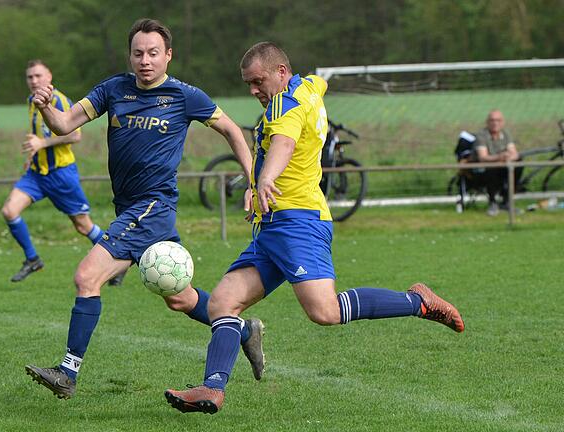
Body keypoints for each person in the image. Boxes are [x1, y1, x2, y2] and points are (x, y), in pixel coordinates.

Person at [164, 42, 465, 415]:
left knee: (325, 312)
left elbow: (285, 144)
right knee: (224, 303)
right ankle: (212, 389)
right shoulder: (306, 87)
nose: (253, 91)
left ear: (280, 73)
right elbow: (317, 84)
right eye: (248, 84)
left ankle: (417, 302)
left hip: (298, 222)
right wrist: (259, 188)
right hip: (273, 226)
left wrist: (265, 180)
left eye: (258, 81)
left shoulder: (284, 104)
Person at [24, 18, 263, 399]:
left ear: (168, 55)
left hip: (154, 206)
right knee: (179, 298)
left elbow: (233, 131)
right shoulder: (113, 89)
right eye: (138, 53)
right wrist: (48, 105)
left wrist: (253, 180)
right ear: (130, 55)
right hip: (130, 210)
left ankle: (67, 373)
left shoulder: (185, 95)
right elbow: (64, 123)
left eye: (153, 53)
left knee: (87, 276)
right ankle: (244, 330)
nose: (145, 60)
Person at [1, 60, 122, 284]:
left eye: (38, 76)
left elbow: (75, 135)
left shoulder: (60, 100)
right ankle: (32, 259)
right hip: (37, 174)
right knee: (9, 210)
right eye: (30, 77)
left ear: (49, 76)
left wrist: (42, 144)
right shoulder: (32, 101)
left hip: (61, 174)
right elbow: (36, 133)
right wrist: (32, 154)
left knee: (83, 225)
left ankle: (117, 259)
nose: (34, 81)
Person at [472, 110, 522, 216]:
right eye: (492, 120)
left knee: (518, 164)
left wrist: (509, 157)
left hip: (503, 167)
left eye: (498, 120)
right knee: (492, 168)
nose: (495, 123)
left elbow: (515, 153)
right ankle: (492, 202)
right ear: (487, 122)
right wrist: (500, 157)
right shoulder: (482, 135)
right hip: (484, 170)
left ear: (502, 122)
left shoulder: (505, 134)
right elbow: (483, 157)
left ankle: (507, 201)